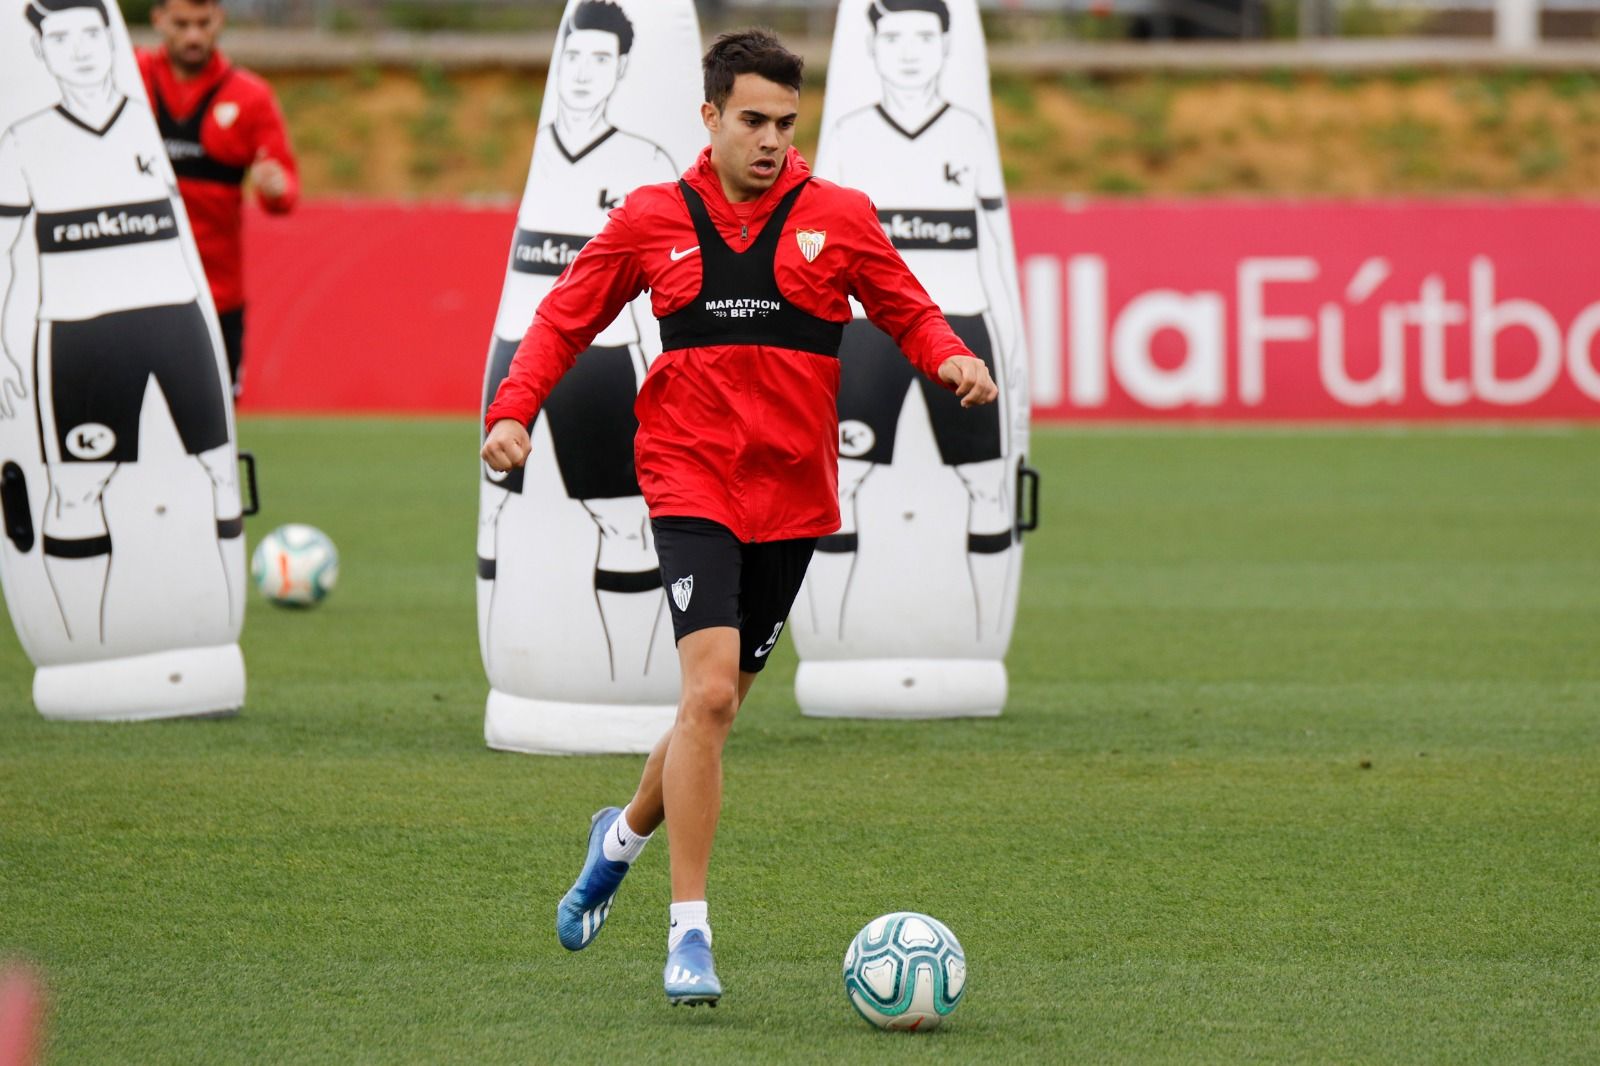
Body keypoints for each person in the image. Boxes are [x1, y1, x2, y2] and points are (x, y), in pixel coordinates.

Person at [481, 28, 997, 1007]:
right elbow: (562, 320)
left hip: (792, 497)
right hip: (687, 481)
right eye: (751, 120)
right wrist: (512, 410)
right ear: (710, 117)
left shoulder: (835, 217)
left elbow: (908, 308)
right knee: (709, 696)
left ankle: (622, 833)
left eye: (785, 124)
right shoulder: (650, 218)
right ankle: (689, 936)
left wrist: (949, 358)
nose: (769, 140)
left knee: (708, 714)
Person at [0, 0, 243, 642]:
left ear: (111, 38)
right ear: (43, 52)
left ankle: (214, 631)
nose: (79, 49)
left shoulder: (143, 127)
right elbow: (5, 253)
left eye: (90, 32)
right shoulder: (23, 140)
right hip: (79, 335)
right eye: (61, 38)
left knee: (219, 467)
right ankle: (86, 646)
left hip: (176, 321)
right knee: (78, 488)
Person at [808, 0, 1022, 643]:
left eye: (923, 36)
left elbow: (993, 254)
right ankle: (831, 642)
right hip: (867, 335)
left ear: (944, 45)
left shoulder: (968, 132)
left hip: (963, 326)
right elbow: (812, 246)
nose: (908, 51)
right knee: (839, 488)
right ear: (872, 46)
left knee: (986, 487)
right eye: (894, 36)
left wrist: (1006, 342)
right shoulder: (848, 134)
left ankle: (980, 641)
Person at [478, 0, 679, 682]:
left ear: (622, 69)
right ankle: (519, 678)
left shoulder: (646, 160)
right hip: (521, 362)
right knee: (503, 519)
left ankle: (635, 688)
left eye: (602, 59)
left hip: (610, 369)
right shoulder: (541, 157)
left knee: (625, 526)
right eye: (576, 56)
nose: (585, 71)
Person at [137, 0, 298, 396]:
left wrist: (275, 187)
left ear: (219, 20)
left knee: (216, 427)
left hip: (215, 298)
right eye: (181, 24)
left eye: (203, 24)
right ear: (158, 20)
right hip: (135, 291)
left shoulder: (250, 96)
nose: (193, 35)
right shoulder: (127, 79)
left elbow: (286, 191)